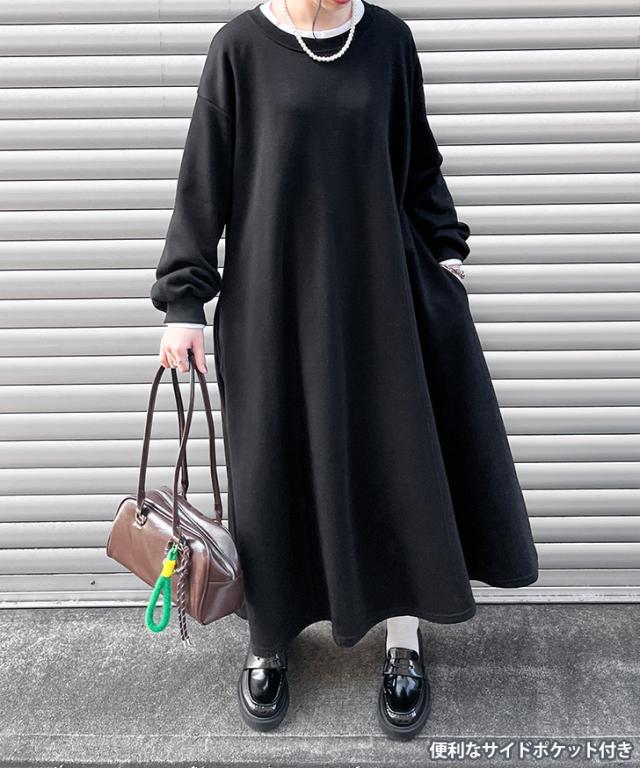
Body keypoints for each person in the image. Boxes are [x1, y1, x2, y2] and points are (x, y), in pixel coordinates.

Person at [151, 0, 539, 740]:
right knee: (271, 473)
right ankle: (269, 640)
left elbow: (417, 160)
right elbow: (203, 180)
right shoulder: (238, 49)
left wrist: (445, 251)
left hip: (380, 301)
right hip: (272, 305)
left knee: (394, 466)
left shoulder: (388, 41)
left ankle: (403, 641)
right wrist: (183, 302)